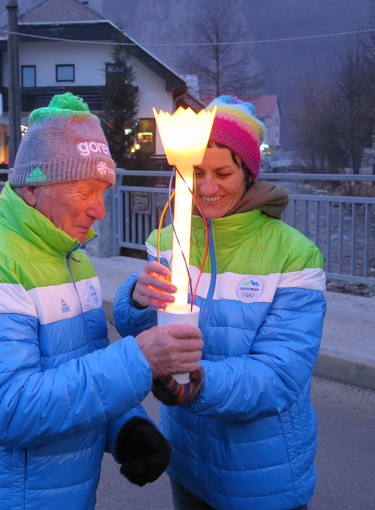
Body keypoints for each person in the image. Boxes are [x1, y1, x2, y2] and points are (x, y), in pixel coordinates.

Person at [0, 93, 204, 510]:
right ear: (32, 187)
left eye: (103, 191)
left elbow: (79, 369)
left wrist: (126, 428)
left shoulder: (73, 260)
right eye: (84, 189)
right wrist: (139, 360)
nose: (99, 209)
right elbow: (12, 409)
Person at [113, 96, 327, 510]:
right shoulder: (168, 239)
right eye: (197, 172)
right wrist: (136, 301)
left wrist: (198, 385)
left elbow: (281, 375)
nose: (207, 188)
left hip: (261, 475)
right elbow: (148, 335)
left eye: (223, 173)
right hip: (187, 461)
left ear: (248, 173)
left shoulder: (294, 255)